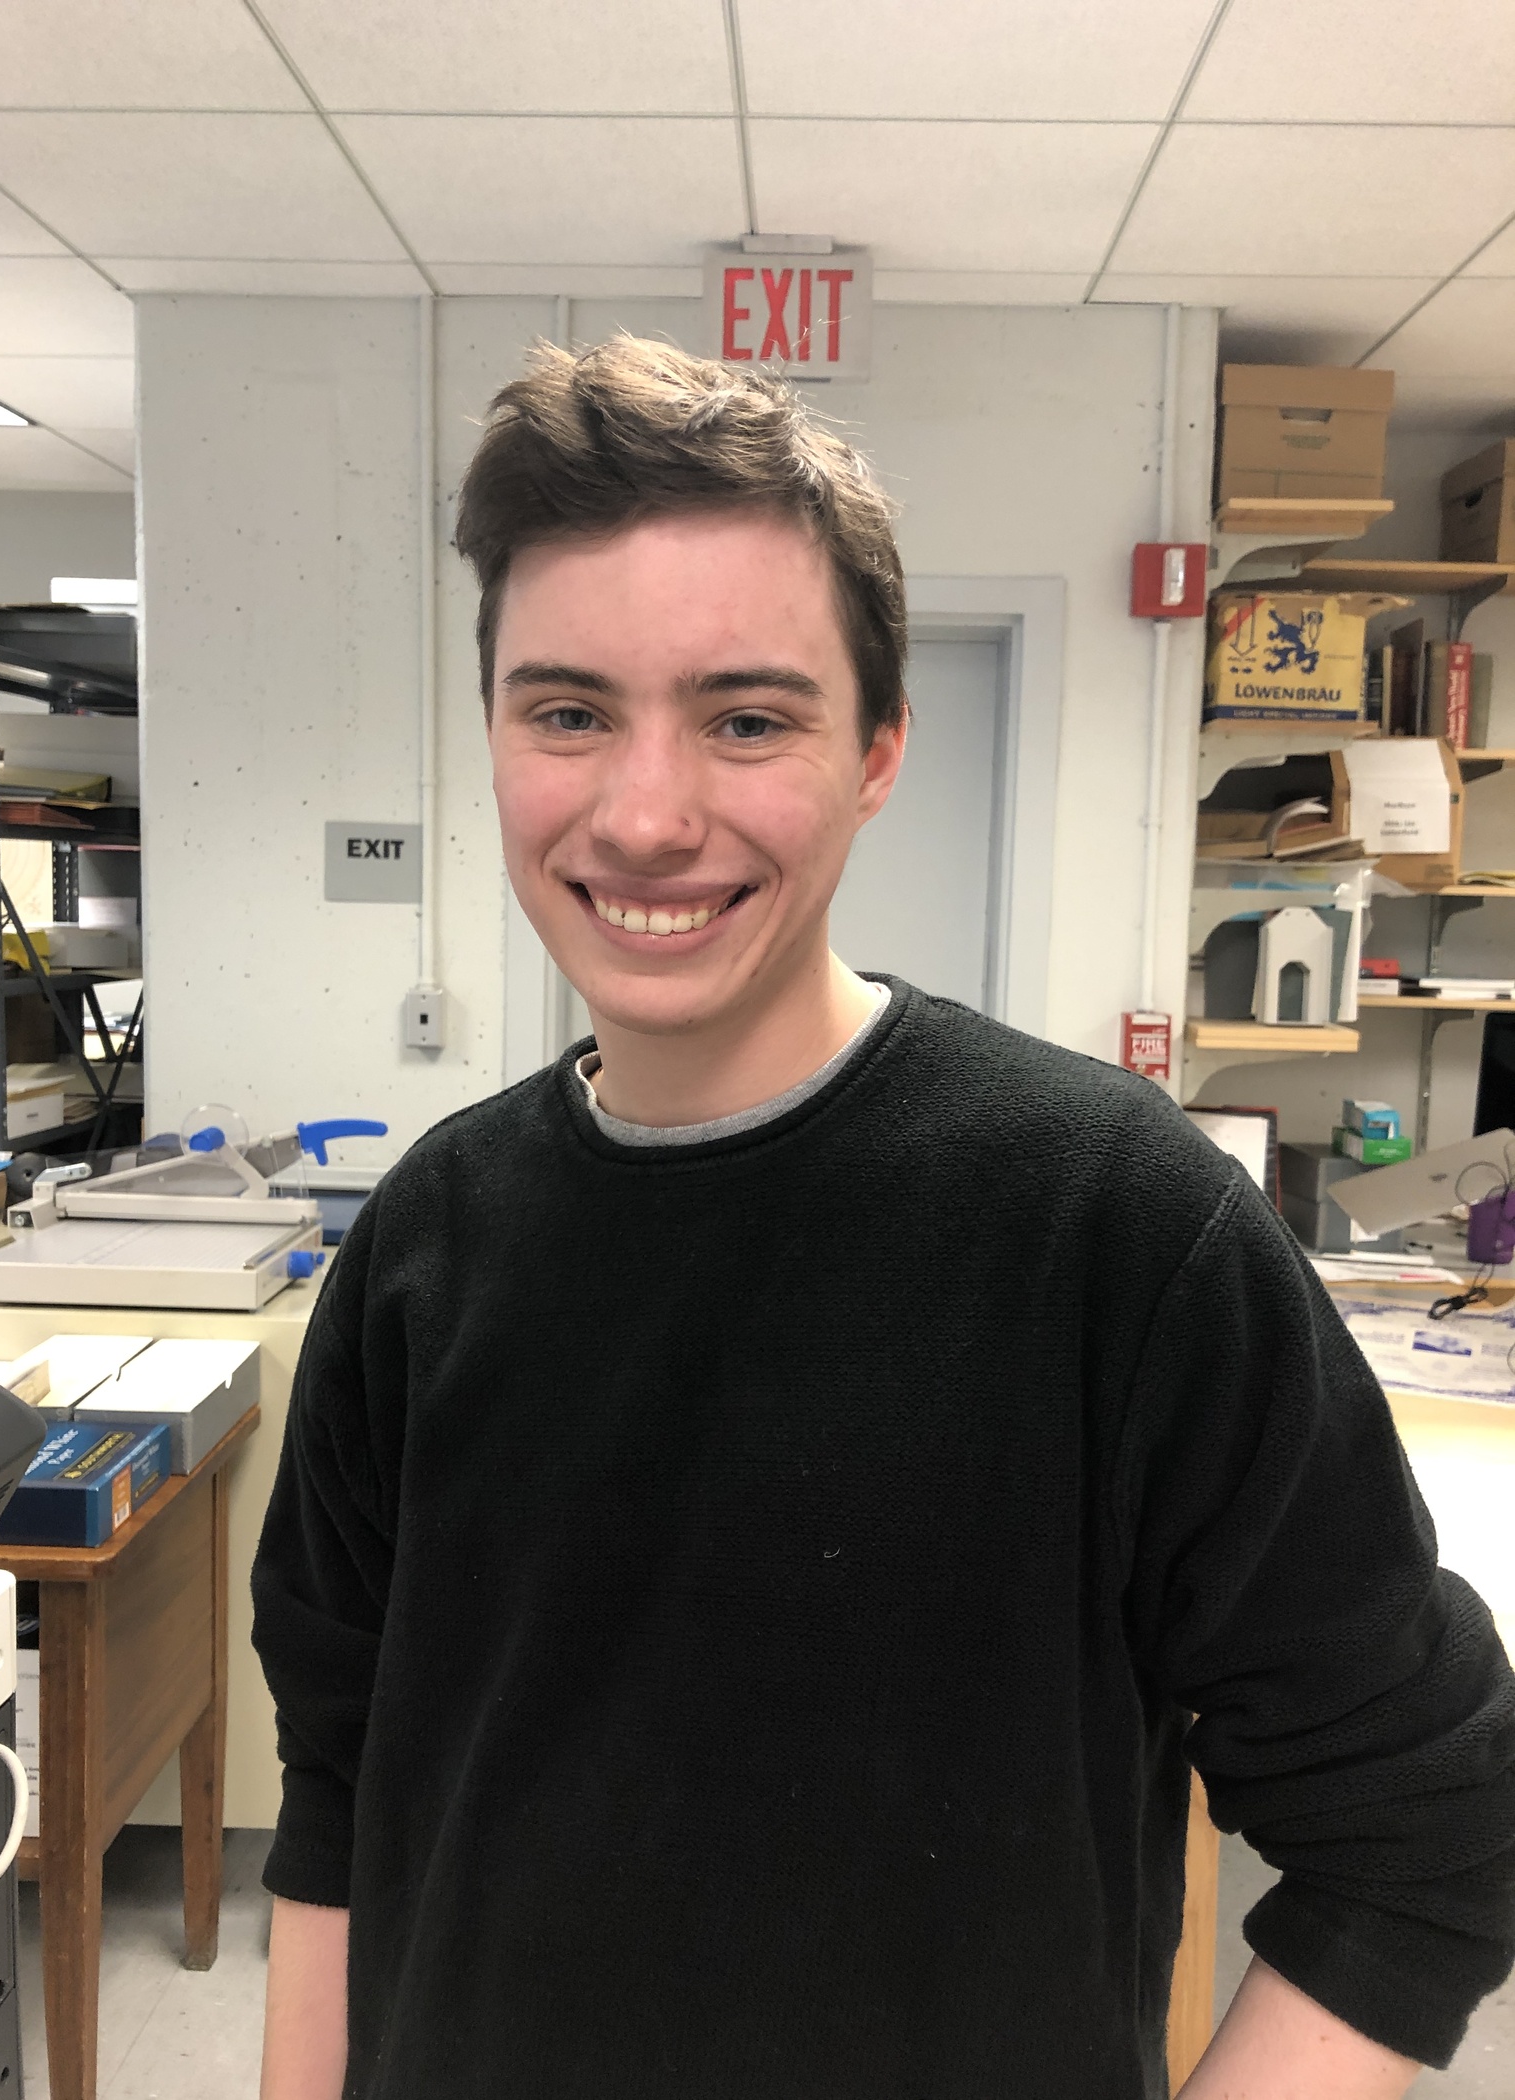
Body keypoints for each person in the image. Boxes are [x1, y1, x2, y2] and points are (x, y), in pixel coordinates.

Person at [252, 338, 1515, 2100]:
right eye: (569, 711)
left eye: (747, 718)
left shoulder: (1117, 1230)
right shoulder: (424, 1250)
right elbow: (339, 1789)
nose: (643, 813)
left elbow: (1429, 1835)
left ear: (877, 754)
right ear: (495, 739)